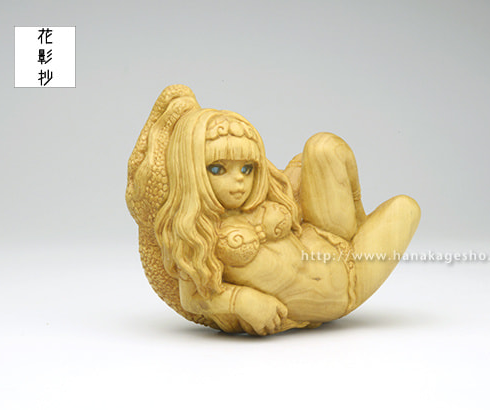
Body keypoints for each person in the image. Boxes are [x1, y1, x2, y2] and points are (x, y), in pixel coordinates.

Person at [126, 85, 420, 335]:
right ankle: (360, 234)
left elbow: (288, 178)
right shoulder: (195, 231)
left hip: (326, 236)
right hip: (348, 283)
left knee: (322, 145)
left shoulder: (262, 197)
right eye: (217, 169)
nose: (239, 181)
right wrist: (242, 301)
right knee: (405, 208)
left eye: (247, 168)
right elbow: (192, 298)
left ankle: (358, 217)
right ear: (191, 173)